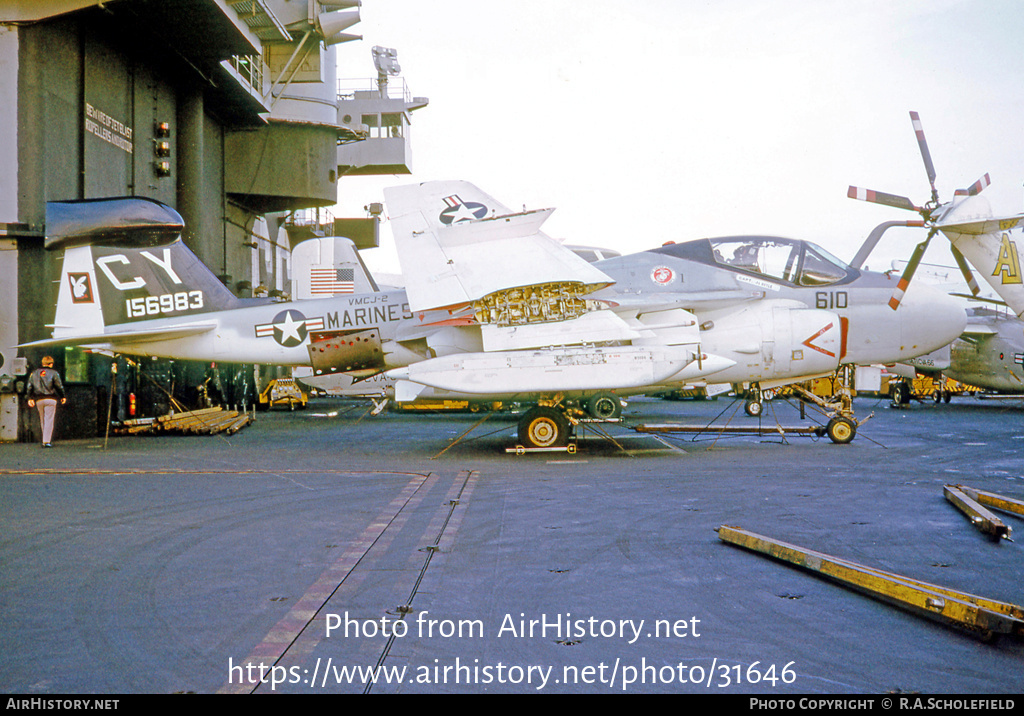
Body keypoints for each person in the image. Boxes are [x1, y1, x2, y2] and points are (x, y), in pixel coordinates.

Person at [26, 355, 66, 447]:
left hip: (39, 399)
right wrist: (62, 396)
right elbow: (59, 386)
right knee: (49, 420)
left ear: (42, 363)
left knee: (42, 419)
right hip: (51, 398)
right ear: (51, 364)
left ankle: (44, 439)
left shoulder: (34, 373)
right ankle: (46, 441)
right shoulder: (54, 373)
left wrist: (29, 398)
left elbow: (29, 386)